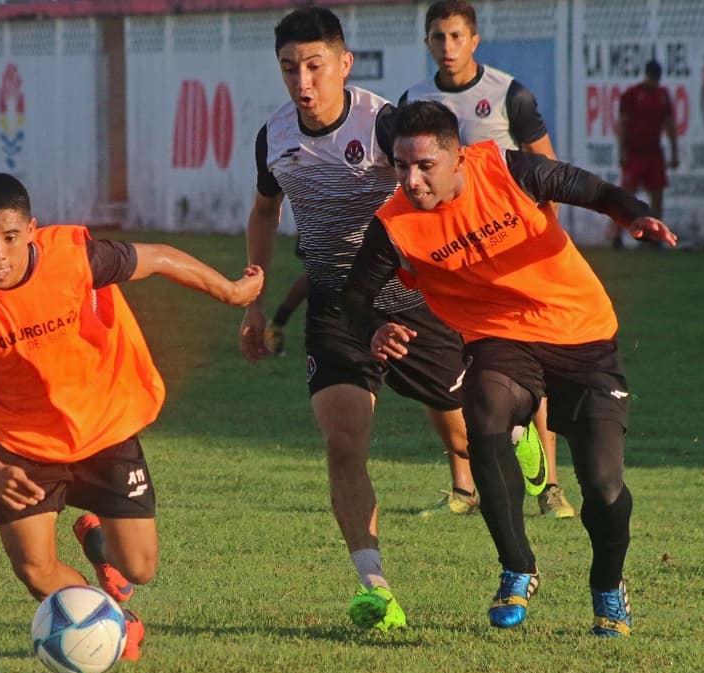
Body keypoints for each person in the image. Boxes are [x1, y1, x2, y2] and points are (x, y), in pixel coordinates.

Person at [239, 7, 529, 633]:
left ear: (344, 64)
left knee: (465, 437)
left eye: (315, 65)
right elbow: (265, 213)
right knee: (343, 442)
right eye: (290, 68)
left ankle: (515, 432)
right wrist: (256, 296)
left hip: (414, 303)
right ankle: (376, 588)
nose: (303, 81)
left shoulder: (384, 123)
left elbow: (443, 185)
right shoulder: (274, 138)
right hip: (336, 310)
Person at [342, 100, 678, 636]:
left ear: (457, 159)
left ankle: (609, 588)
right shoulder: (395, 225)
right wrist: (372, 329)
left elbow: (583, 186)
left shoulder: (506, 169)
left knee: (604, 487)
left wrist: (632, 212)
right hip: (499, 339)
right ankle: (517, 566)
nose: (412, 179)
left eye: (425, 165)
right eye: (402, 166)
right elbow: (354, 296)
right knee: (484, 408)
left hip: (582, 333)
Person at [0, 172, 263, 661]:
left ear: (31, 230)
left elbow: (159, 258)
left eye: (10, 237)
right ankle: (114, 621)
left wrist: (231, 292)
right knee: (36, 572)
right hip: (24, 450)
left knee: (142, 568)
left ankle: (101, 545)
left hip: (104, 430)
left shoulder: (73, 257)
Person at [399, 0, 576, 520]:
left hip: (508, 255)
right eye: (438, 37)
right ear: (428, 41)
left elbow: (546, 170)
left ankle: (552, 487)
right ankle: (463, 486)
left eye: (456, 36)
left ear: (474, 40)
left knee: (531, 367)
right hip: (444, 258)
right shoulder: (414, 101)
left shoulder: (508, 94)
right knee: (441, 369)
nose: (447, 47)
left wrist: (549, 242)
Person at [613, 59, 679, 247]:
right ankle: (617, 236)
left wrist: (674, 151)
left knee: (657, 195)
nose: (654, 82)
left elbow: (669, 124)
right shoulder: (632, 95)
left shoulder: (662, 95)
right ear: (647, 76)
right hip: (634, 152)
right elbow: (623, 124)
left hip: (654, 153)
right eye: (652, 78)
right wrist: (622, 151)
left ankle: (655, 237)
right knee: (626, 196)